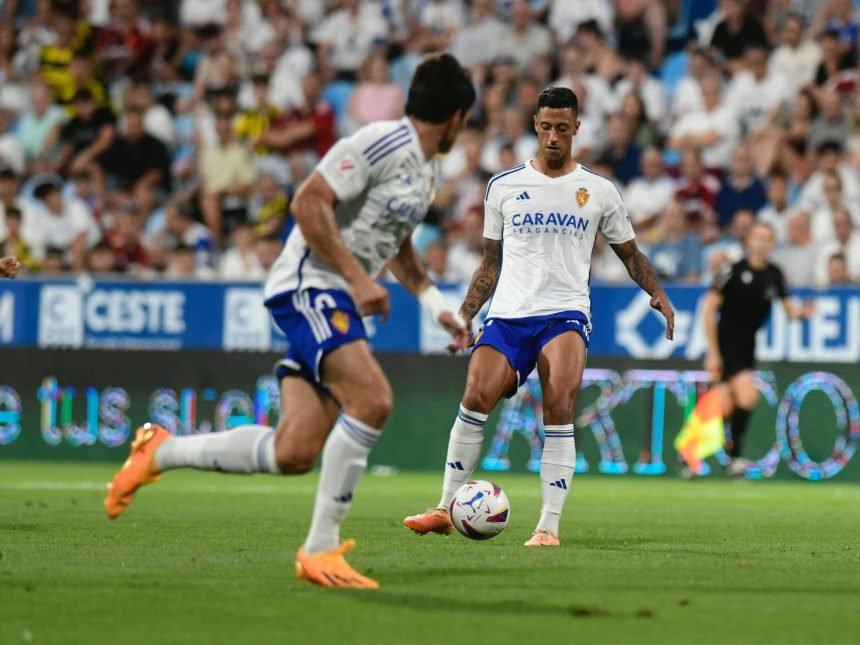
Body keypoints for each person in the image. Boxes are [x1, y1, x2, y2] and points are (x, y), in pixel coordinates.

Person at [103, 53, 476, 589]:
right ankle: (320, 550)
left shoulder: (426, 170)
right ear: (457, 117)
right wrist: (358, 278)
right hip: (309, 284)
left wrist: (438, 306)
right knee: (372, 400)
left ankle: (161, 449)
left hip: (336, 294)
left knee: (293, 451)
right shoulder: (379, 142)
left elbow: (397, 246)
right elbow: (308, 202)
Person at [403, 87, 674, 547]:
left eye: (562, 129)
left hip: (564, 314)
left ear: (576, 130)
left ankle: (548, 526)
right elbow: (490, 262)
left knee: (560, 408)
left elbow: (629, 253)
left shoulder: (599, 190)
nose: (553, 137)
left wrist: (658, 293)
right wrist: (466, 313)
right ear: (535, 125)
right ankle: (445, 507)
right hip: (508, 315)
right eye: (546, 127)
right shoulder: (502, 186)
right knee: (475, 394)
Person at [702, 222, 812, 476]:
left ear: (773, 244)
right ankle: (735, 457)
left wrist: (802, 314)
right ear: (749, 241)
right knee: (748, 396)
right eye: (758, 238)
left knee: (726, 404)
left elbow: (789, 308)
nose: (763, 243)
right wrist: (713, 351)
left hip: (748, 344)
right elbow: (708, 309)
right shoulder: (733, 270)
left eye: (768, 239)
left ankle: (691, 451)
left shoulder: (774, 273)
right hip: (727, 340)